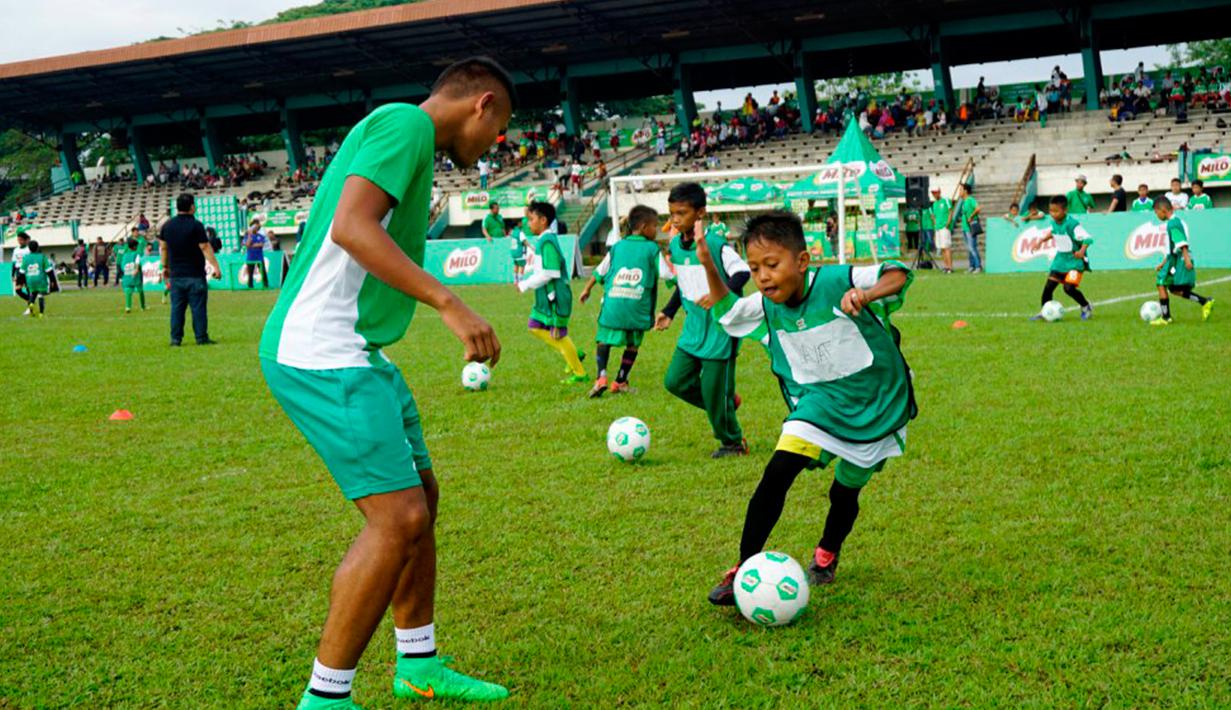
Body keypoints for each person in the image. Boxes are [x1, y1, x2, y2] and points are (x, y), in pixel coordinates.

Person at [259, 57, 512, 710]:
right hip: (322, 348)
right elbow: (352, 227)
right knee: (398, 518)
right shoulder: (406, 124)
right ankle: (326, 698)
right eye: (500, 130)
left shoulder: (411, 138)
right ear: (482, 103)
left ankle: (419, 665)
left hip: (359, 349)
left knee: (421, 495)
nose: (495, 146)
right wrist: (449, 302)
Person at [693, 212, 916, 602]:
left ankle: (827, 552)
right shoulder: (766, 305)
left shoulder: (836, 280)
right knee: (777, 471)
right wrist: (709, 264)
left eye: (772, 265)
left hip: (876, 402)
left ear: (802, 261)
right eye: (754, 269)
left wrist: (866, 295)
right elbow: (727, 312)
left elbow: (897, 273)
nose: (763, 277)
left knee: (845, 492)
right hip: (819, 404)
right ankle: (743, 568)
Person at [655, 182, 750, 458]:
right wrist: (669, 311)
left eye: (681, 213)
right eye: (672, 213)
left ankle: (733, 442)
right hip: (693, 329)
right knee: (675, 381)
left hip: (721, 331)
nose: (675, 219)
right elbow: (683, 283)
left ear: (700, 213)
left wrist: (719, 295)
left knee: (713, 390)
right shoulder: (675, 244)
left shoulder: (716, 245)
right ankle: (724, 403)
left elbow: (742, 272)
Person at [578, 205, 662, 398]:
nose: (656, 230)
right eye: (654, 226)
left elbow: (600, 270)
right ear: (643, 227)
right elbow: (667, 273)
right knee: (633, 343)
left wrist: (587, 289)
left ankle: (601, 378)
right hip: (636, 306)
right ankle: (620, 381)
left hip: (613, 306)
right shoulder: (652, 248)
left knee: (603, 339)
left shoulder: (617, 247)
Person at [518, 200, 588, 383]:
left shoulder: (547, 241)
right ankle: (574, 353)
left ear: (543, 220)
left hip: (555, 296)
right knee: (534, 325)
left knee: (558, 334)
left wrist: (526, 284)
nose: (528, 223)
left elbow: (551, 273)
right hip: (546, 296)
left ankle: (580, 373)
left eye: (531, 219)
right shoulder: (544, 240)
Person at [160, 193, 222, 346]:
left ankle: (176, 339)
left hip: (176, 275)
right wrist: (215, 266)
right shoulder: (196, 225)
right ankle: (201, 337)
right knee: (198, 308)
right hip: (195, 274)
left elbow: (163, 247)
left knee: (176, 309)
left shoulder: (167, 226)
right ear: (192, 207)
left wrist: (165, 266)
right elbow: (205, 247)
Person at [1149, 196, 1214, 325]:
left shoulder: (1172, 223)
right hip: (1172, 259)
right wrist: (1163, 263)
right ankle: (1205, 301)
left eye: (1156, 212)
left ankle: (1166, 318)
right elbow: (1173, 246)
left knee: (1160, 283)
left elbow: (1181, 242)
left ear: (1163, 210)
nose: (1157, 215)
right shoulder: (1175, 221)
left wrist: (1187, 259)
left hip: (1175, 260)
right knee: (1174, 289)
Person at [1030, 195, 1094, 321]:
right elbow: (1053, 231)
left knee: (1068, 288)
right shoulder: (1054, 222)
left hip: (1075, 262)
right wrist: (1041, 241)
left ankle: (1086, 306)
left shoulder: (1072, 224)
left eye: (1056, 211)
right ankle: (1044, 312)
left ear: (1065, 210)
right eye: (1050, 211)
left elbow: (1088, 238)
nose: (1052, 214)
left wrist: (1082, 251)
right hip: (1060, 261)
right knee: (1048, 288)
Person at [953, 183, 982, 273]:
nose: (959, 192)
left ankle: (978, 266)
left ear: (965, 191)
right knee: (969, 248)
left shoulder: (970, 199)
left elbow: (978, 208)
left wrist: (971, 217)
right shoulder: (964, 201)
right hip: (965, 228)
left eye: (961, 190)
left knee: (972, 247)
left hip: (970, 228)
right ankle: (971, 266)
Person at [20, 240, 52, 317]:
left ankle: (31, 304)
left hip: (30, 280)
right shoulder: (42, 257)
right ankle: (41, 314)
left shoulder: (26, 258)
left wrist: (21, 281)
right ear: (37, 247)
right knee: (40, 295)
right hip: (40, 279)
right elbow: (49, 270)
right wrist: (52, 281)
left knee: (33, 293)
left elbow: (21, 272)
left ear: (29, 248)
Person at [119, 237, 146, 313]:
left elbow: (122, 265)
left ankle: (128, 307)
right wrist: (136, 269)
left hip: (127, 275)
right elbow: (137, 262)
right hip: (135, 275)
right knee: (140, 290)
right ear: (134, 247)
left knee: (128, 290)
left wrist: (125, 271)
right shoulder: (136, 254)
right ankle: (143, 306)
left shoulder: (125, 255)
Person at [929, 187, 953, 273]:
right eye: (933, 193)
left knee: (946, 247)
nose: (934, 194)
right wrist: (935, 224)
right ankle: (946, 266)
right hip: (938, 228)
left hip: (944, 227)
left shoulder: (946, 200)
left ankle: (950, 267)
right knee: (941, 248)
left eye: (935, 192)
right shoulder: (934, 204)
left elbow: (951, 211)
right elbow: (933, 216)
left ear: (939, 192)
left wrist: (948, 223)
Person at [243, 219, 270, 288]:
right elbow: (247, 245)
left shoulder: (261, 236)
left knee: (263, 271)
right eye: (254, 226)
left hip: (259, 257)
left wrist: (252, 245)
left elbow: (261, 245)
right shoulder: (247, 236)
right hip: (250, 257)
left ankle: (266, 285)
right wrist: (250, 236)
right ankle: (250, 286)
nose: (255, 228)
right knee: (250, 273)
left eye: (257, 226)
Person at [11, 230, 31, 305]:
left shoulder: (28, 250)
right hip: (19, 272)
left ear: (25, 240)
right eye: (18, 240)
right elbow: (14, 263)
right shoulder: (16, 250)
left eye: (21, 240)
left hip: (27, 271)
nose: (19, 241)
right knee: (18, 290)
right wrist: (12, 274)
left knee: (28, 289)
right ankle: (30, 300)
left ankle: (30, 306)